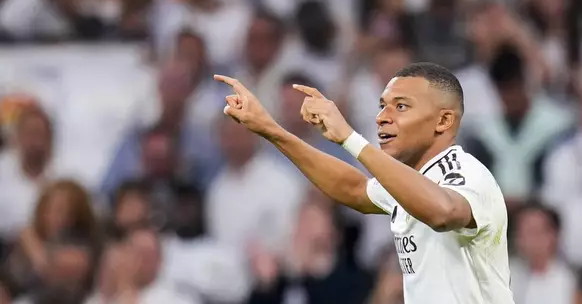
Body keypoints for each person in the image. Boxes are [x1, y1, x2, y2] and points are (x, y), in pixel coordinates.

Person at [213, 61, 514, 304]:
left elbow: (443, 212)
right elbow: (354, 189)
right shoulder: (412, 182)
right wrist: (271, 129)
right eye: (382, 105)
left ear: (443, 121)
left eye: (401, 106)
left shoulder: (465, 173)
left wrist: (350, 139)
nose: (382, 117)